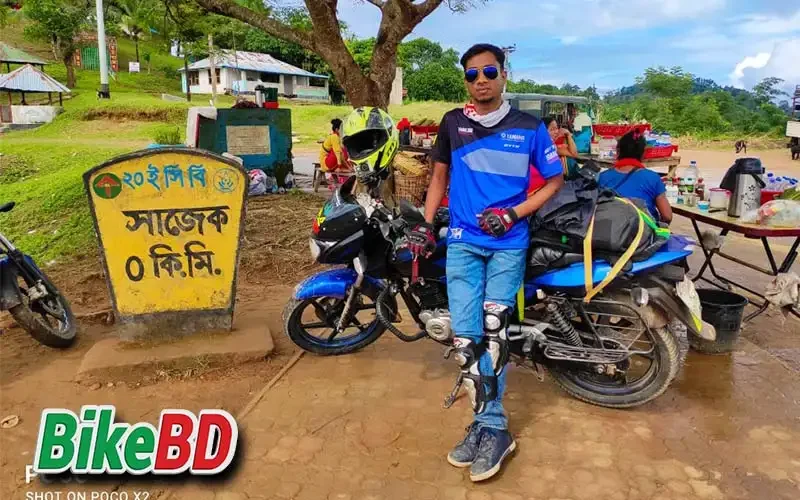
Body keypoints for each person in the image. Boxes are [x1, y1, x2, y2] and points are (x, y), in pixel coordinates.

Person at [407, 43, 564, 482]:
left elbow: (555, 180)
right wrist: (425, 225)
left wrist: (513, 214)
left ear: (504, 75)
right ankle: (485, 423)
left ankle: (493, 428)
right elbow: (439, 177)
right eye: (473, 74)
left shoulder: (529, 127)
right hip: (462, 243)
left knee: (494, 334)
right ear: (466, 81)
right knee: (466, 339)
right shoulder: (453, 123)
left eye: (489, 72)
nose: (481, 80)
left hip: (508, 245)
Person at [598, 129, 673, 224]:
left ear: (618, 151)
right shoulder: (653, 178)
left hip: (610, 230)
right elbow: (667, 216)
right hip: (642, 232)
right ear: (643, 154)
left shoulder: (602, 177)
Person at [527, 117, 578, 195]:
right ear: (543, 132)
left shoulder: (552, 146)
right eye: (552, 129)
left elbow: (573, 153)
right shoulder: (540, 146)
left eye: (557, 128)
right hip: (540, 188)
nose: (556, 132)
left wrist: (568, 135)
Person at [319, 118, 348, 190]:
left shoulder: (337, 136)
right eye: (341, 129)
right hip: (325, 163)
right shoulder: (334, 136)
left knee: (344, 150)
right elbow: (338, 152)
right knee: (341, 151)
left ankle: (344, 168)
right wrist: (339, 166)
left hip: (329, 161)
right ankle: (341, 168)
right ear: (337, 129)